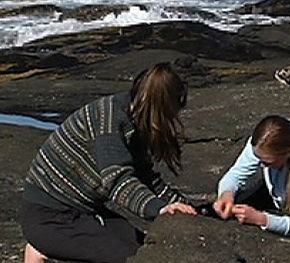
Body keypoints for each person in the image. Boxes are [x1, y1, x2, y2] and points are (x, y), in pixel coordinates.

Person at [20, 63, 197, 263]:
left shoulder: (134, 116)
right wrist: (158, 209)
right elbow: (118, 182)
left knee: (141, 245)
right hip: (49, 214)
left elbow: (146, 179)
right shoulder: (110, 121)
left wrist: (188, 208)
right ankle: (43, 247)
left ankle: (48, 246)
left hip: (84, 210)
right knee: (132, 257)